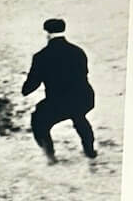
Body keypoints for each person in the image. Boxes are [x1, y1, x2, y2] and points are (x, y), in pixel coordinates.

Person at [21, 18, 97, 163]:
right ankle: (90, 151)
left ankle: (50, 156)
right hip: (85, 98)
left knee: (38, 121)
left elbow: (34, 82)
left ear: (47, 34)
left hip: (59, 102)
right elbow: (84, 72)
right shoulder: (78, 51)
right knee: (79, 116)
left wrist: (25, 90)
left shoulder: (41, 56)